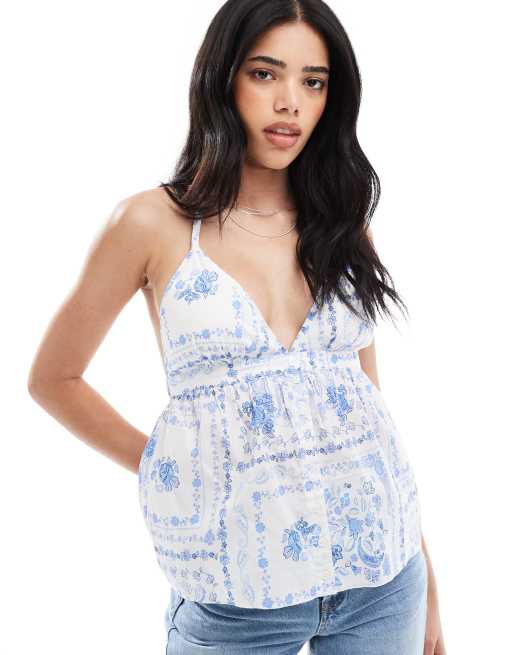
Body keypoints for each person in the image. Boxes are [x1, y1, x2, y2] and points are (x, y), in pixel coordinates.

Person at [27, 1, 446, 653]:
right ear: (222, 79)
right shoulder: (153, 224)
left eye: (313, 81)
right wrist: (168, 466)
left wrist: (428, 579)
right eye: (265, 73)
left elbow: (368, 409)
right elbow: (54, 378)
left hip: (384, 578)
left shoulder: (344, 224)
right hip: (236, 594)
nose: (290, 102)